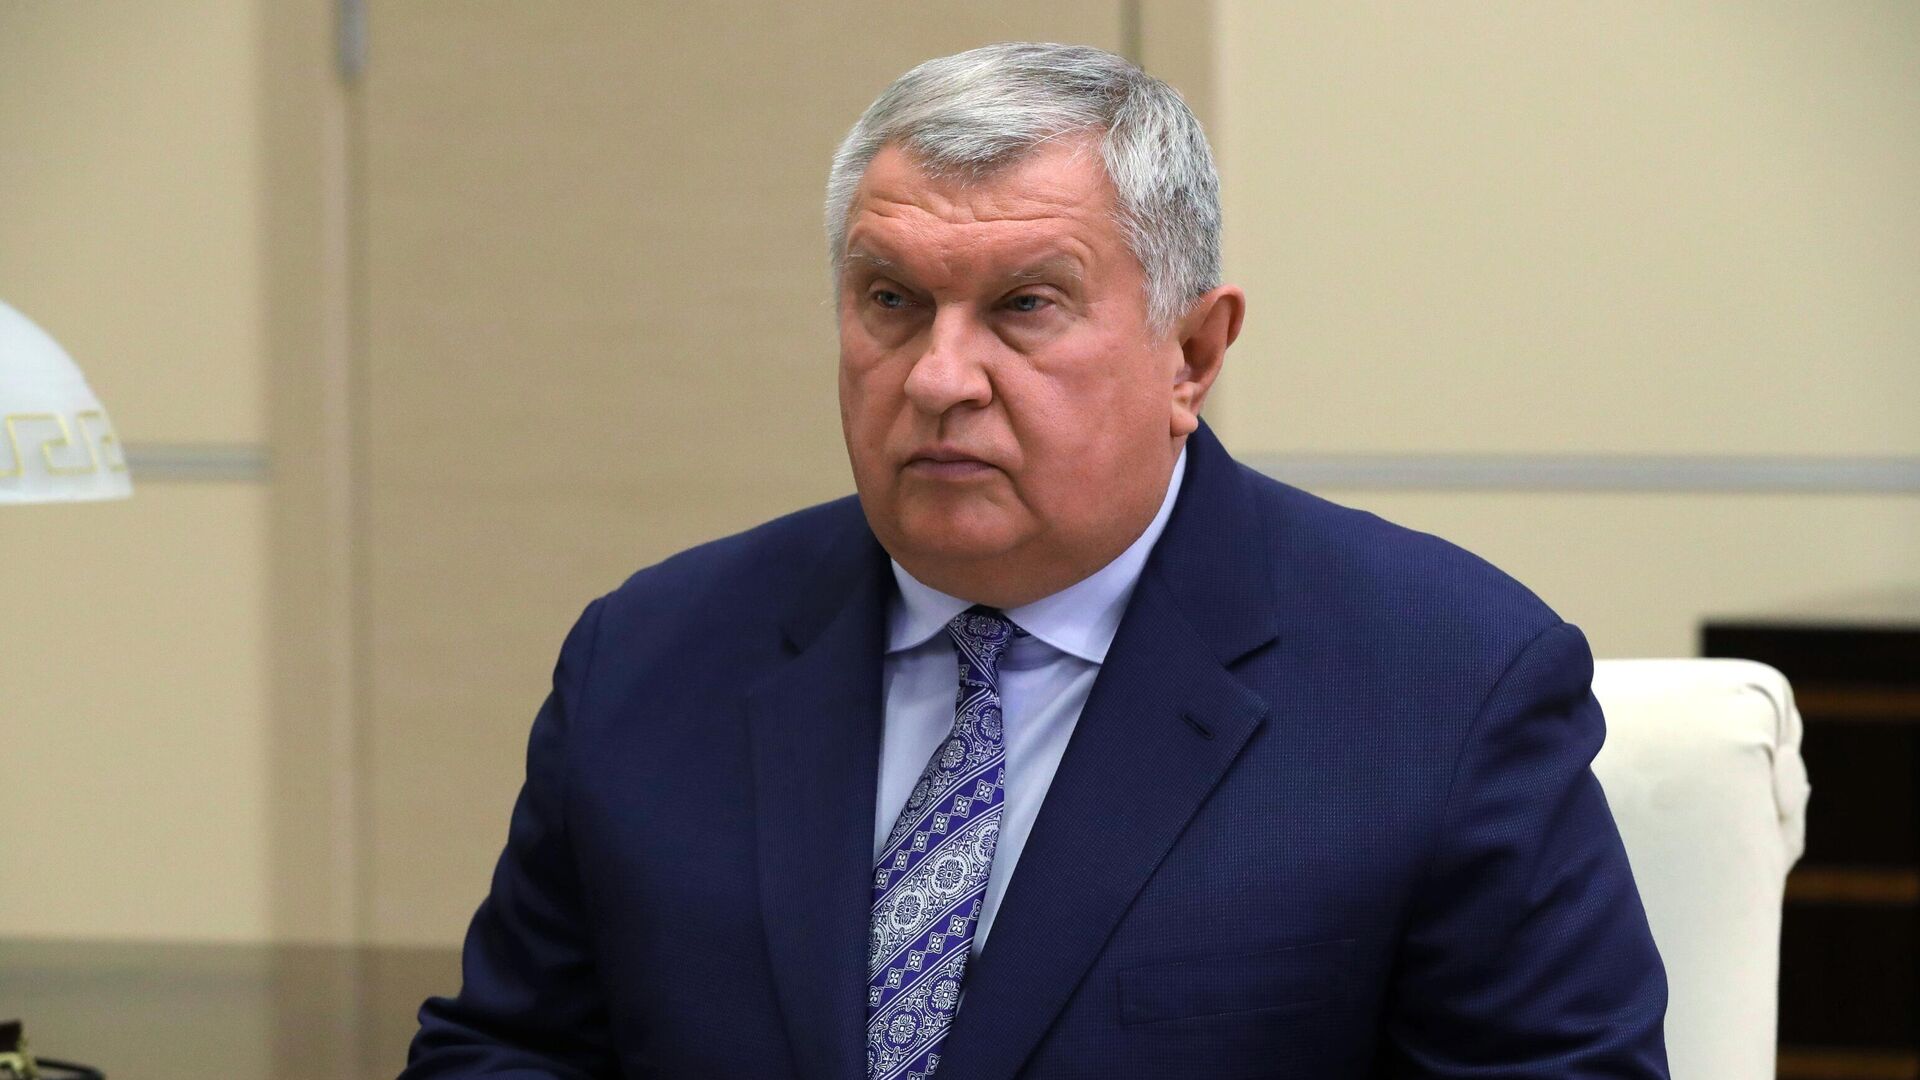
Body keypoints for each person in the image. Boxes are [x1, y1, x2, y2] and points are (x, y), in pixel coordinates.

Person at [402, 42, 1668, 1080]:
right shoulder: (648, 658)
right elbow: (512, 1052)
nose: (940, 378)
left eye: (1024, 306)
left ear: (1192, 357)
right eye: (891, 301)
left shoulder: (1444, 685)